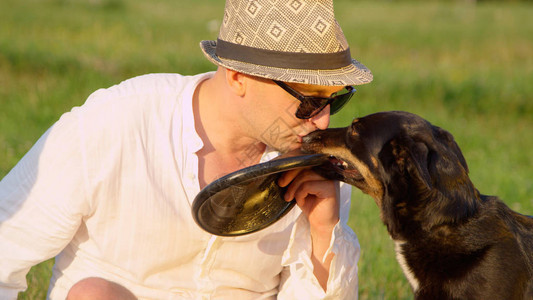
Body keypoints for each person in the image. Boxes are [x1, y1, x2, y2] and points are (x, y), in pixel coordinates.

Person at [0, 0, 373, 299]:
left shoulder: (313, 168)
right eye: (307, 101)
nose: (322, 122)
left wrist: (326, 232)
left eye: (334, 101)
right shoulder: (115, 124)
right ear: (238, 76)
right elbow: (5, 245)